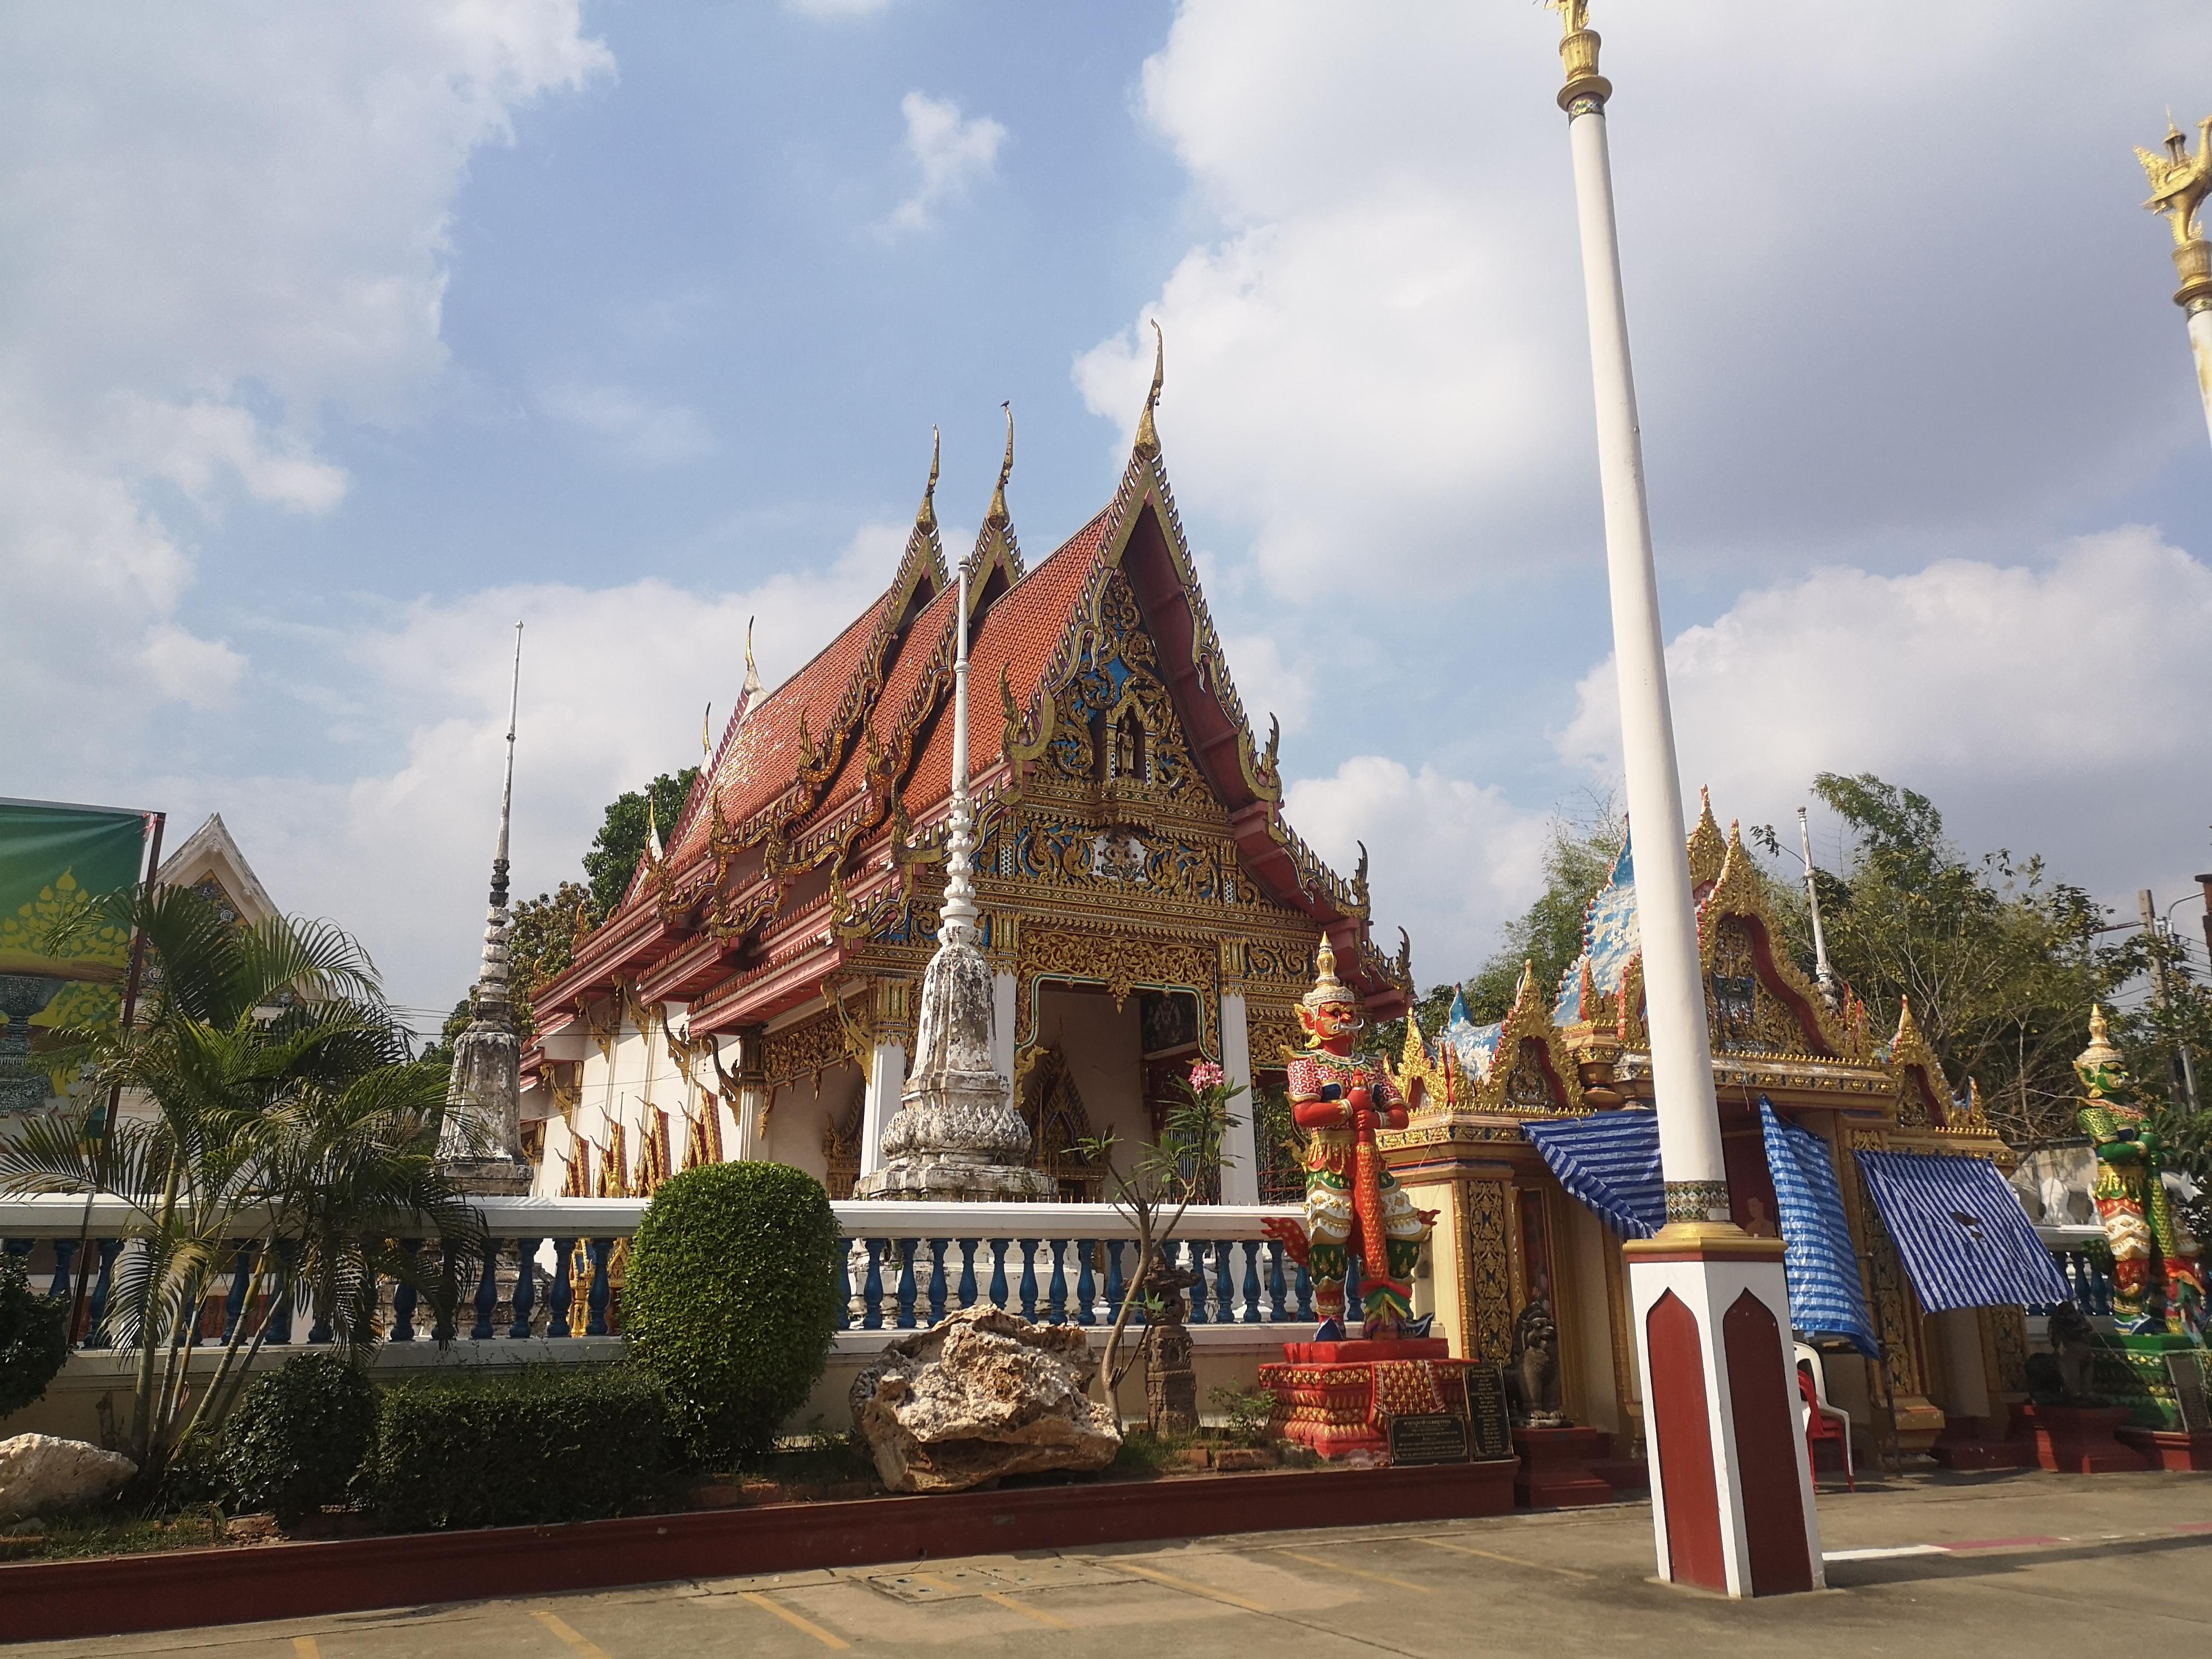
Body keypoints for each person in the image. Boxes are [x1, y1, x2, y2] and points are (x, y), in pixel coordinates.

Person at [1286, 941, 1434, 1340]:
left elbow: (1401, 1116)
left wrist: (1377, 1116)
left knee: (1403, 1231)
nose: (1345, 1017)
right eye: (1334, 1012)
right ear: (1310, 1020)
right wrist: (1349, 1110)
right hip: (1330, 1160)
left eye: (1349, 1010)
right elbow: (1304, 1114)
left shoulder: (1371, 1066)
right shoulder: (1306, 1065)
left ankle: (1387, 1315)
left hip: (1371, 1161)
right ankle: (1331, 1320)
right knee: (1330, 1233)